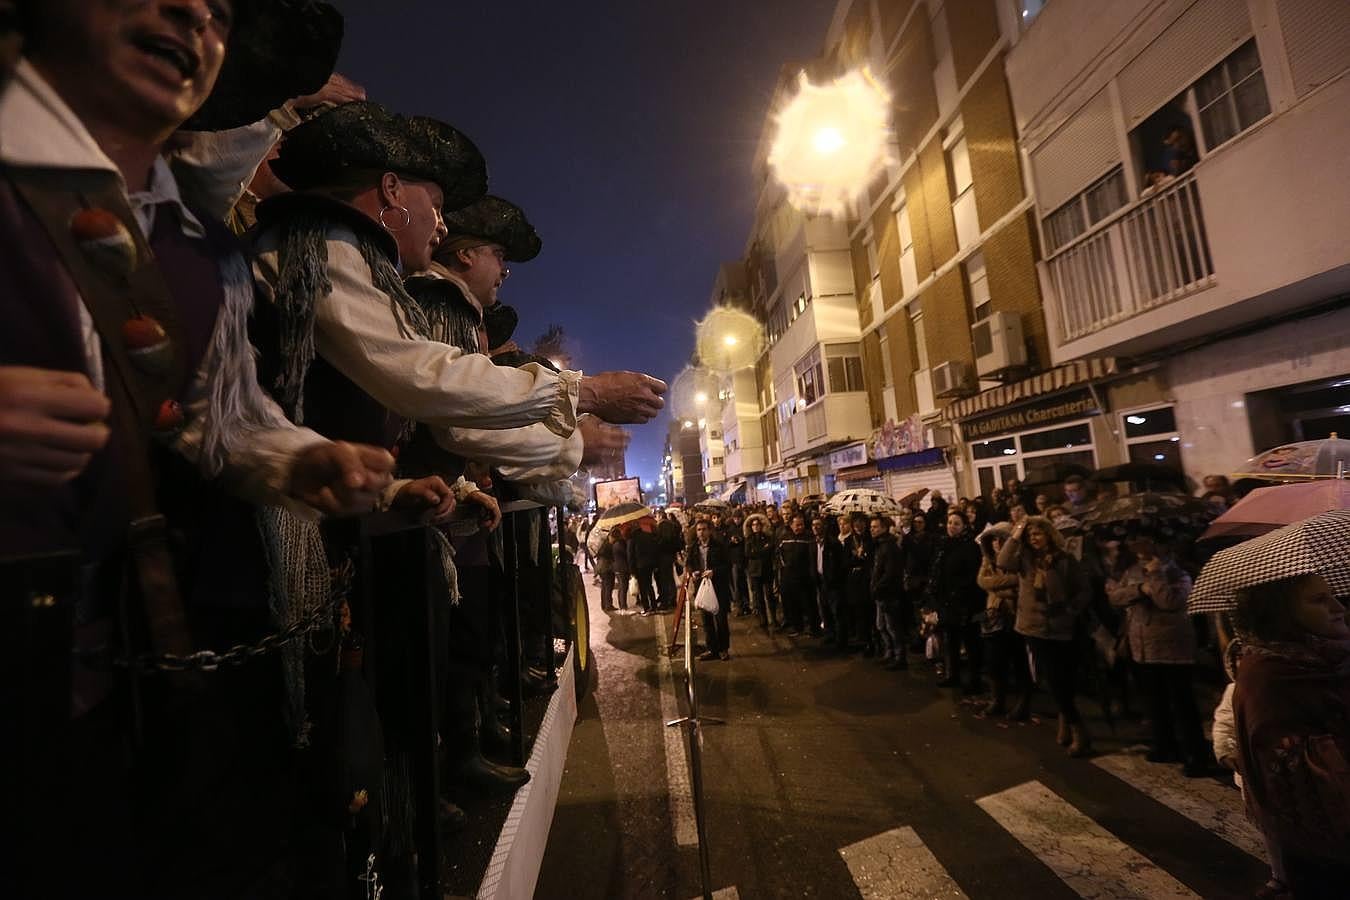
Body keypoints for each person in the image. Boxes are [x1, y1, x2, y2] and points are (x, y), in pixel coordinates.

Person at [0, 2, 412, 896]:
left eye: (221, 9)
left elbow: (220, 419)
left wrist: (302, 461)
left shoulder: (199, 251)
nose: (192, 12)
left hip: (90, 681)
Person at [1231, 574, 1350, 896]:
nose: (1339, 608)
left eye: (1334, 596)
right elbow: (1298, 767)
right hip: (1323, 842)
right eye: (1319, 600)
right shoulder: (1272, 676)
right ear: (1281, 614)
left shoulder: (1330, 659)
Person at [1107, 538, 1210, 775]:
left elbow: (1170, 601)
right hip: (1140, 646)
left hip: (1172, 648)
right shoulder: (1132, 571)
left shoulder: (1179, 572)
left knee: (1182, 703)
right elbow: (1116, 598)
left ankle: (1196, 754)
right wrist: (1139, 590)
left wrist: (1154, 577)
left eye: (1144, 542)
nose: (1138, 547)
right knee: (1155, 701)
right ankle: (1165, 745)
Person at [1000, 516, 1093, 756]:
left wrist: (1071, 609)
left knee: (1064, 679)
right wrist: (1017, 532)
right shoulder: (1024, 559)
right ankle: (1077, 727)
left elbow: (1083, 589)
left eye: (1038, 534)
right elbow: (1003, 560)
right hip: (1033, 627)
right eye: (1030, 535)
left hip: (1061, 627)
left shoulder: (1064, 559)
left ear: (1049, 535)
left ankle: (1068, 720)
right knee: (1052, 680)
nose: (1034, 538)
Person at [978, 523, 1031, 719]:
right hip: (995, 615)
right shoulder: (987, 560)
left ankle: (1023, 702)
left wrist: (997, 587)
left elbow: (1020, 583)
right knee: (994, 662)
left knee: (1019, 661)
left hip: (1015, 614)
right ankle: (997, 700)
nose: (997, 544)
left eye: (1002, 540)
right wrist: (1005, 586)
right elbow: (982, 581)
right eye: (994, 540)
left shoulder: (1018, 560)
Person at [929, 512, 985, 694]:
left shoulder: (970, 547)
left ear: (964, 526)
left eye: (956, 523)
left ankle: (974, 679)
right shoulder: (944, 545)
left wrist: (958, 591)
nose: (951, 526)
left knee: (970, 642)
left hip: (964, 602)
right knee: (950, 640)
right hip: (947, 602)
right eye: (950, 522)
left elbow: (971, 575)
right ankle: (952, 675)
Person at [687, 519, 732, 660]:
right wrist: (693, 572)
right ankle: (712, 649)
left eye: (704, 529)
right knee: (706, 621)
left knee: (721, 620)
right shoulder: (693, 547)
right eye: (699, 530)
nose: (701, 532)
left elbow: (728, 565)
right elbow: (689, 564)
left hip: (718, 588)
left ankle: (723, 649)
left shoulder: (719, 546)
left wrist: (714, 572)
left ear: (709, 530)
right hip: (702, 587)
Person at [870, 515, 907, 669]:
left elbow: (890, 572)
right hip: (880, 592)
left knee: (892, 626)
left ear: (884, 528)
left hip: (889, 593)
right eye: (871, 527)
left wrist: (878, 586)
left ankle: (900, 657)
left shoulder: (890, 547)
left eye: (875, 527)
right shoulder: (879, 545)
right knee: (881, 625)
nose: (872, 530)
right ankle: (889, 652)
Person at [777, 513, 814, 635]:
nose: (800, 527)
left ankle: (813, 627)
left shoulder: (809, 537)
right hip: (789, 576)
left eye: (802, 524)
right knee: (793, 603)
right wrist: (784, 566)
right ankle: (797, 627)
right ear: (791, 525)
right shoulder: (785, 537)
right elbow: (779, 553)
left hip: (804, 577)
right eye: (797, 525)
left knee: (808, 603)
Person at [813, 516, 846, 647]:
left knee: (836, 611)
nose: (815, 527)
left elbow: (839, 563)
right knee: (825, 610)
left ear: (824, 527)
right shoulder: (813, 543)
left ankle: (841, 639)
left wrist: (833, 577)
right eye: (813, 525)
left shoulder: (833, 543)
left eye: (818, 525)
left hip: (832, 582)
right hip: (821, 581)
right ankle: (830, 634)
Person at [743, 513, 775, 628]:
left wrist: (757, 552)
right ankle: (763, 619)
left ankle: (774, 618)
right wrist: (762, 550)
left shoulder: (767, 537)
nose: (756, 527)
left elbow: (770, 549)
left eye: (757, 524)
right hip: (755, 571)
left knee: (770, 595)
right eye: (753, 525)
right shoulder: (749, 539)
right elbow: (748, 553)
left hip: (767, 570)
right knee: (759, 596)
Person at [610, 528, 631, 613]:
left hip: (619, 568)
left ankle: (623, 605)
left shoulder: (615, 544)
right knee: (623, 587)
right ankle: (623, 606)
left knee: (622, 587)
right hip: (622, 568)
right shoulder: (619, 544)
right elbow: (626, 554)